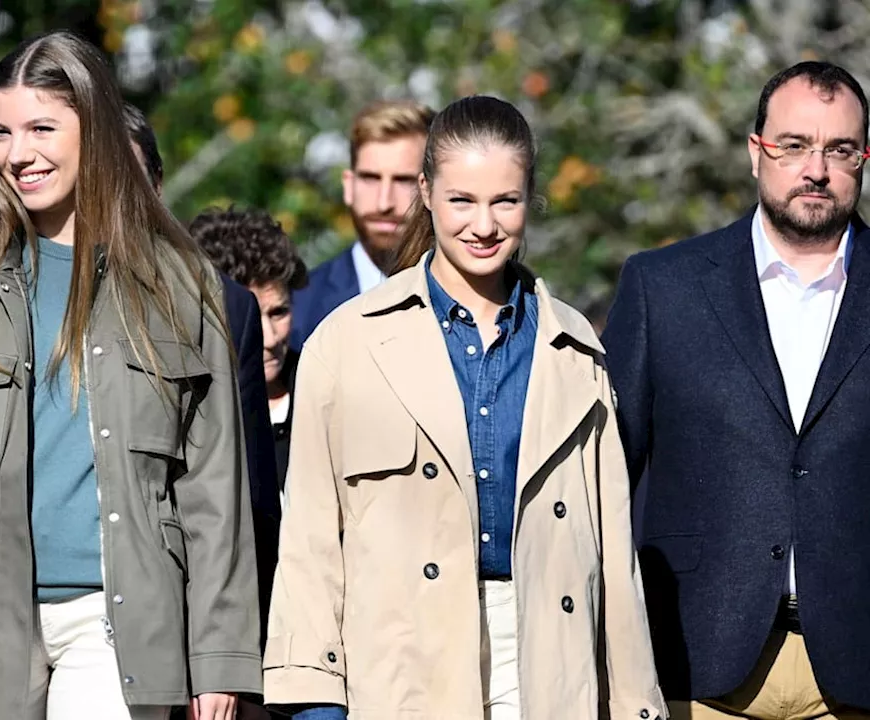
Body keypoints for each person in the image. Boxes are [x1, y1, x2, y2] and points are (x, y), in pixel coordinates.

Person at [0, 31, 261, 720]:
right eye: (3, 132)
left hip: (120, 630)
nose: (18, 153)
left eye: (42, 127)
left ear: (93, 130)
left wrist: (218, 657)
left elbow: (214, 495)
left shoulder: (183, 289)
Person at [264, 95, 665, 719]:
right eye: (462, 200)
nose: (484, 224)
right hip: (395, 669)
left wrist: (637, 702)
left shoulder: (576, 347)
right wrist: (314, 698)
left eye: (505, 201)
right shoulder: (345, 342)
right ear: (425, 192)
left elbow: (614, 552)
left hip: (550, 669)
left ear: (530, 197)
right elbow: (312, 542)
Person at [604, 60, 870, 719]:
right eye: (793, 145)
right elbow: (602, 480)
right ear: (757, 153)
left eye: (839, 150)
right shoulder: (662, 287)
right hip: (696, 666)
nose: (816, 169)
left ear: (863, 158)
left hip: (859, 674)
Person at [122, 101, 282, 644]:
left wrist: (236, 660)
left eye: (133, 180)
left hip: (188, 627)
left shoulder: (223, 307)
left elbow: (251, 499)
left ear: (159, 185)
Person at [288, 99, 433, 348]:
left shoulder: (479, 299)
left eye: (403, 181)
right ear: (348, 185)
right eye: (370, 178)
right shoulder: (297, 309)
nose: (384, 202)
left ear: (432, 188)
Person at [188, 206, 308, 493]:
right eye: (251, 318)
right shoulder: (188, 410)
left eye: (279, 312)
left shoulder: (323, 392)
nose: (269, 338)